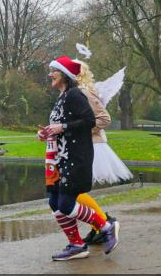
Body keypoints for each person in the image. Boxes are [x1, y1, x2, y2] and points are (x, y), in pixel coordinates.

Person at [40, 55, 118, 261]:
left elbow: (90, 120)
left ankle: (106, 226)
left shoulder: (75, 94)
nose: (50, 74)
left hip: (76, 158)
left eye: (53, 70)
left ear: (64, 75)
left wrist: (62, 127)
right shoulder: (61, 98)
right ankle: (76, 245)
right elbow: (61, 127)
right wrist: (47, 133)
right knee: (55, 203)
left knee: (66, 204)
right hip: (59, 159)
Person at [74, 59, 131, 245]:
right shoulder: (76, 93)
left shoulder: (85, 93)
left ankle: (104, 224)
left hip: (92, 146)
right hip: (84, 145)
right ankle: (99, 225)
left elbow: (104, 118)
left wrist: (82, 131)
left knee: (75, 190)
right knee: (76, 190)